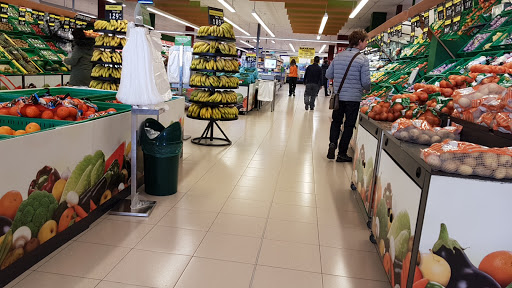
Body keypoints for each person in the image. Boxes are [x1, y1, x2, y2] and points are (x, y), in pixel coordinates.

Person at [326, 30, 371, 162]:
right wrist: (367, 89)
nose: (366, 44)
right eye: (365, 41)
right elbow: (366, 82)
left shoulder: (338, 56)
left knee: (336, 122)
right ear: (359, 42)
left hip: (338, 97)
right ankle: (342, 153)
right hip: (353, 99)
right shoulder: (363, 59)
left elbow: (328, 74)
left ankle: (332, 144)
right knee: (349, 125)